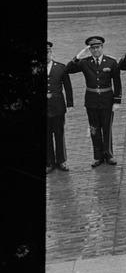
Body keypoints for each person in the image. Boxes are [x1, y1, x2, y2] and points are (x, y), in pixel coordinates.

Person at [66, 36, 123, 168]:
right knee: (94, 129)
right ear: (89, 49)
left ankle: (108, 154)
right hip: (91, 100)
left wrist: (117, 100)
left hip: (107, 99)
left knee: (107, 127)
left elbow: (117, 83)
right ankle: (97, 156)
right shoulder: (84, 62)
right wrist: (80, 54)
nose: (96, 50)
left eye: (98, 47)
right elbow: (68, 69)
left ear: (102, 47)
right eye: (93, 48)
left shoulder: (111, 62)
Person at [46, 41, 74, 174]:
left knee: (59, 134)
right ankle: (49, 162)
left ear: (51, 52)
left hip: (57, 106)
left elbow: (68, 87)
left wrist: (70, 103)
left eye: (47, 52)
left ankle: (61, 160)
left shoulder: (60, 67)